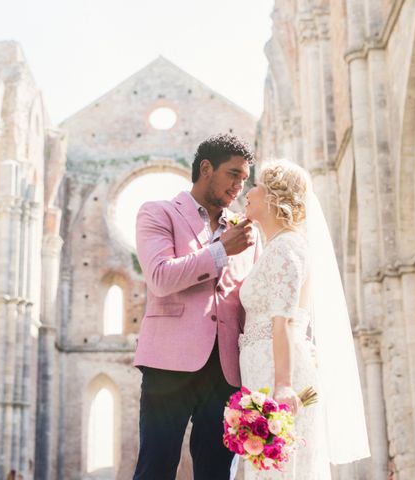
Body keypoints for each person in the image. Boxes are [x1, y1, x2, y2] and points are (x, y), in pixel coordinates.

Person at [133, 133, 261, 480]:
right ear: (206, 168)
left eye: (244, 178)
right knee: (155, 468)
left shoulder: (246, 231)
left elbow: (252, 298)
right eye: (233, 174)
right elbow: (160, 277)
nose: (239, 186)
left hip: (225, 371)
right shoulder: (157, 213)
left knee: (217, 473)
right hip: (168, 363)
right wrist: (221, 251)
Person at [239, 159, 370, 479]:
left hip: (279, 373)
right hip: (262, 369)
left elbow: (282, 319)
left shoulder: (287, 248)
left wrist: (283, 386)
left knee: (284, 470)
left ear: (272, 196)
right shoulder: (274, 247)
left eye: (255, 186)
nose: (248, 191)